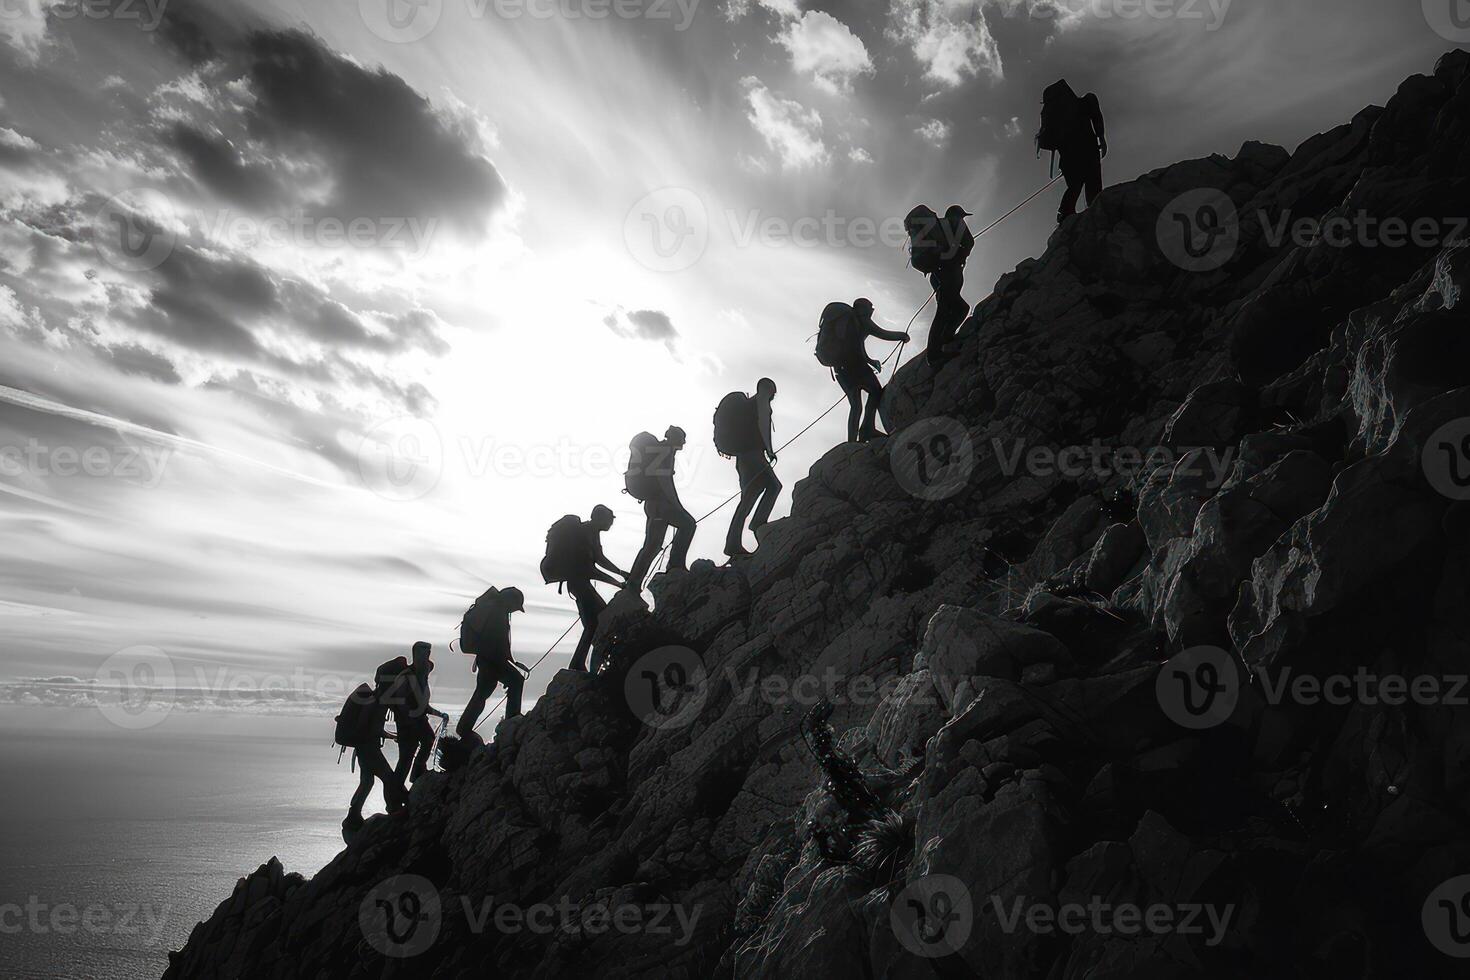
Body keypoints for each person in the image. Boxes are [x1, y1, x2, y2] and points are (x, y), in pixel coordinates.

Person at [823, 299, 909, 443]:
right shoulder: (863, 321)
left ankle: (852, 441)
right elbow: (883, 333)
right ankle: (867, 429)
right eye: (870, 308)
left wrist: (870, 361)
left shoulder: (850, 324)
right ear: (863, 309)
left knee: (855, 405)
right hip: (857, 367)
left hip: (841, 369)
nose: (872, 311)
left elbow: (857, 346)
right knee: (876, 391)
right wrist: (902, 336)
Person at [343, 659, 410, 838]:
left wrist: (390, 735)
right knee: (389, 779)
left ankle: (353, 815)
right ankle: (395, 809)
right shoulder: (377, 701)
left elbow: (372, 728)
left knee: (367, 782)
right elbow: (366, 727)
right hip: (368, 749)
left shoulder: (378, 699)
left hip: (365, 748)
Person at [626, 426, 696, 586]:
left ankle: (633, 584)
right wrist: (678, 506)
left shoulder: (657, 450)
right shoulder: (666, 451)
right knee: (688, 524)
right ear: (675, 439)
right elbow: (665, 481)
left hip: (652, 504)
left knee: (651, 546)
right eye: (682, 441)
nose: (683, 445)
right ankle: (675, 564)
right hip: (661, 504)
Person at [721, 378, 782, 558]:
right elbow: (763, 423)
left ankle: (732, 542)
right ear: (768, 389)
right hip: (753, 455)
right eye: (773, 392)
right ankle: (758, 523)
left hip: (743, 458)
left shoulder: (746, 406)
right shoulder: (761, 400)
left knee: (749, 496)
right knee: (773, 486)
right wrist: (769, 450)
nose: (773, 397)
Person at [456, 586, 528, 736]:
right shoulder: (498, 613)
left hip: (487, 659)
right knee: (513, 682)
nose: (514, 611)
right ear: (510, 601)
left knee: (483, 693)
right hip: (492, 660)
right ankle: (511, 721)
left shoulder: (494, 609)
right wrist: (507, 662)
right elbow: (498, 642)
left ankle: (464, 727)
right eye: (515, 607)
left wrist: (511, 662)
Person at [563, 505, 628, 672]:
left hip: (581, 583)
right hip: (579, 584)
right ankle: (578, 664)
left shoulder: (592, 532)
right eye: (609, 520)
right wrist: (618, 583)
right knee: (595, 623)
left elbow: (599, 559)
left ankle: (585, 663)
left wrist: (621, 573)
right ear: (600, 518)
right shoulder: (584, 534)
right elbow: (590, 569)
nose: (611, 524)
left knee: (598, 621)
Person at [1037, 79, 1107, 222]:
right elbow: (1095, 114)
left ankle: (1065, 213)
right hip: (1089, 152)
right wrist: (1101, 137)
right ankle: (1093, 211)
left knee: (1075, 186)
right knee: (1092, 186)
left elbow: (1045, 142)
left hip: (1070, 161)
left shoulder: (1055, 120)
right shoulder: (1083, 104)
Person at [391, 642, 449, 785]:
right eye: (424, 653)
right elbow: (400, 703)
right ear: (416, 654)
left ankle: (416, 773)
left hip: (415, 721)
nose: (427, 656)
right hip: (407, 724)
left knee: (425, 742)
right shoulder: (406, 677)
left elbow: (423, 705)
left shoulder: (421, 676)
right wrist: (411, 719)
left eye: (428, 653)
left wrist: (439, 714)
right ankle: (396, 794)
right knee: (406, 757)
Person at [928, 206, 973, 367]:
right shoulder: (955, 223)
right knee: (944, 311)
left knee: (958, 307)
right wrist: (962, 255)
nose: (963, 219)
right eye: (961, 216)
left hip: (937, 275)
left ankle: (945, 338)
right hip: (948, 273)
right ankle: (933, 355)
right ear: (956, 215)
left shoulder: (936, 227)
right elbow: (969, 242)